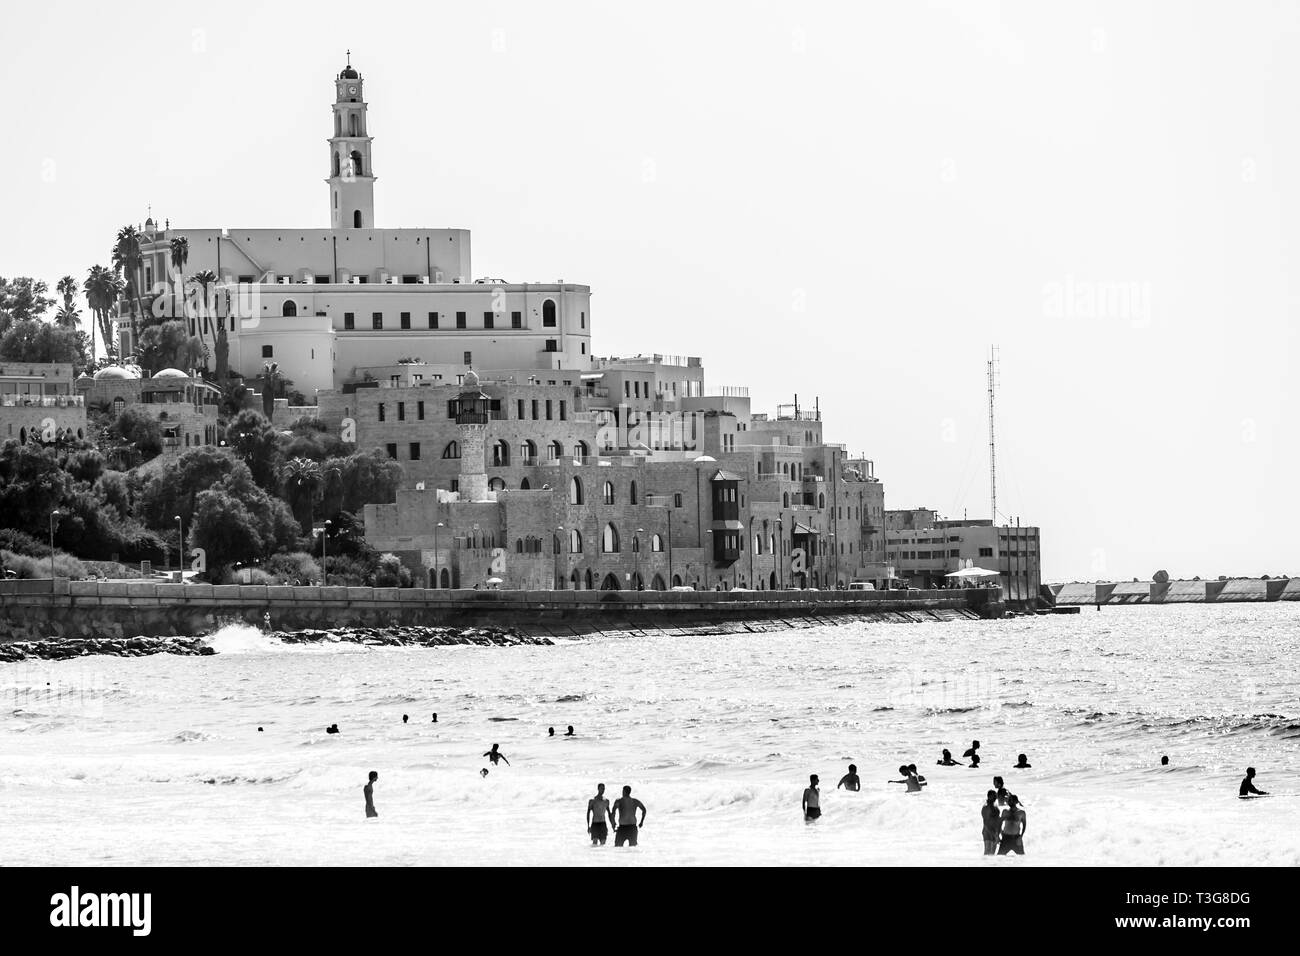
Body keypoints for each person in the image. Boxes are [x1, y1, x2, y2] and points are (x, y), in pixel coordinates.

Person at [981, 790, 1000, 855]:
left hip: (994, 831)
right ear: (989, 796)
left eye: (996, 796)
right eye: (994, 796)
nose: (995, 797)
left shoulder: (995, 806)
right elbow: (985, 822)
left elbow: (997, 820)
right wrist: (994, 834)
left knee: (992, 853)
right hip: (987, 832)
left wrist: (998, 832)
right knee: (987, 852)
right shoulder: (986, 807)